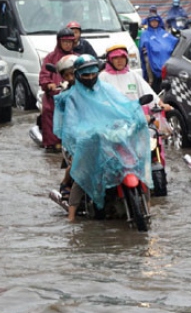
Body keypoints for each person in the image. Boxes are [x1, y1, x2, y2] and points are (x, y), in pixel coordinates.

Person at [53, 54, 150, 222]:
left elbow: (122, 105)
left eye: (93, 74)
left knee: (135, 164)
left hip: (110, 137)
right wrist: (84, 132)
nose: (90, 78)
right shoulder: (72, 97)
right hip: (88, 140)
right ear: (78, 75)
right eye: (86, 75)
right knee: (83, 175)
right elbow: (71, 122)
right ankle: (71, 216)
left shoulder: (106, 89)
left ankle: (148, 203)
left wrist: (135, 114)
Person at [38, 28, 77, 151]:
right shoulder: (50, 58)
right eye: (64, 41)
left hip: (73, 94)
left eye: (70, 42)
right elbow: (44, 75)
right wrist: (49, 84)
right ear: (59, 42)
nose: (67, 44)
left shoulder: (76, 58)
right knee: (49, 111)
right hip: (54, 96)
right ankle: (52, 144)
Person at [99, 44, 169, 111]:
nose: (119, 60)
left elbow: (146, 91)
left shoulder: (133, 75)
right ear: (109, 60)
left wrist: (160, 104)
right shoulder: (103, 77)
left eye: (122, 57)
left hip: (136, 118)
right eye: (115, 57)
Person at [53, 54, 78, 201]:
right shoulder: (65, 96)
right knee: (77, 161)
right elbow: (63, 119)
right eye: (66, 75)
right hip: (75, 135)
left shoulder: (96, 89)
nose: (70, 77)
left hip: (96, 130)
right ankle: (65, 183)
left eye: (72, 73)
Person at [139, 14, 178, 92]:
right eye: (152, 22)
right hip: (152, 56)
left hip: (166, 56)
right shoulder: (145, 33)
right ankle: (151, 81)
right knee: (148, 62)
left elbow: (172, 40)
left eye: (156, 21)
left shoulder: (163, 32)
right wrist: (149, 47)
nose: (154, 23)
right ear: (149, 23)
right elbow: (143, 43)